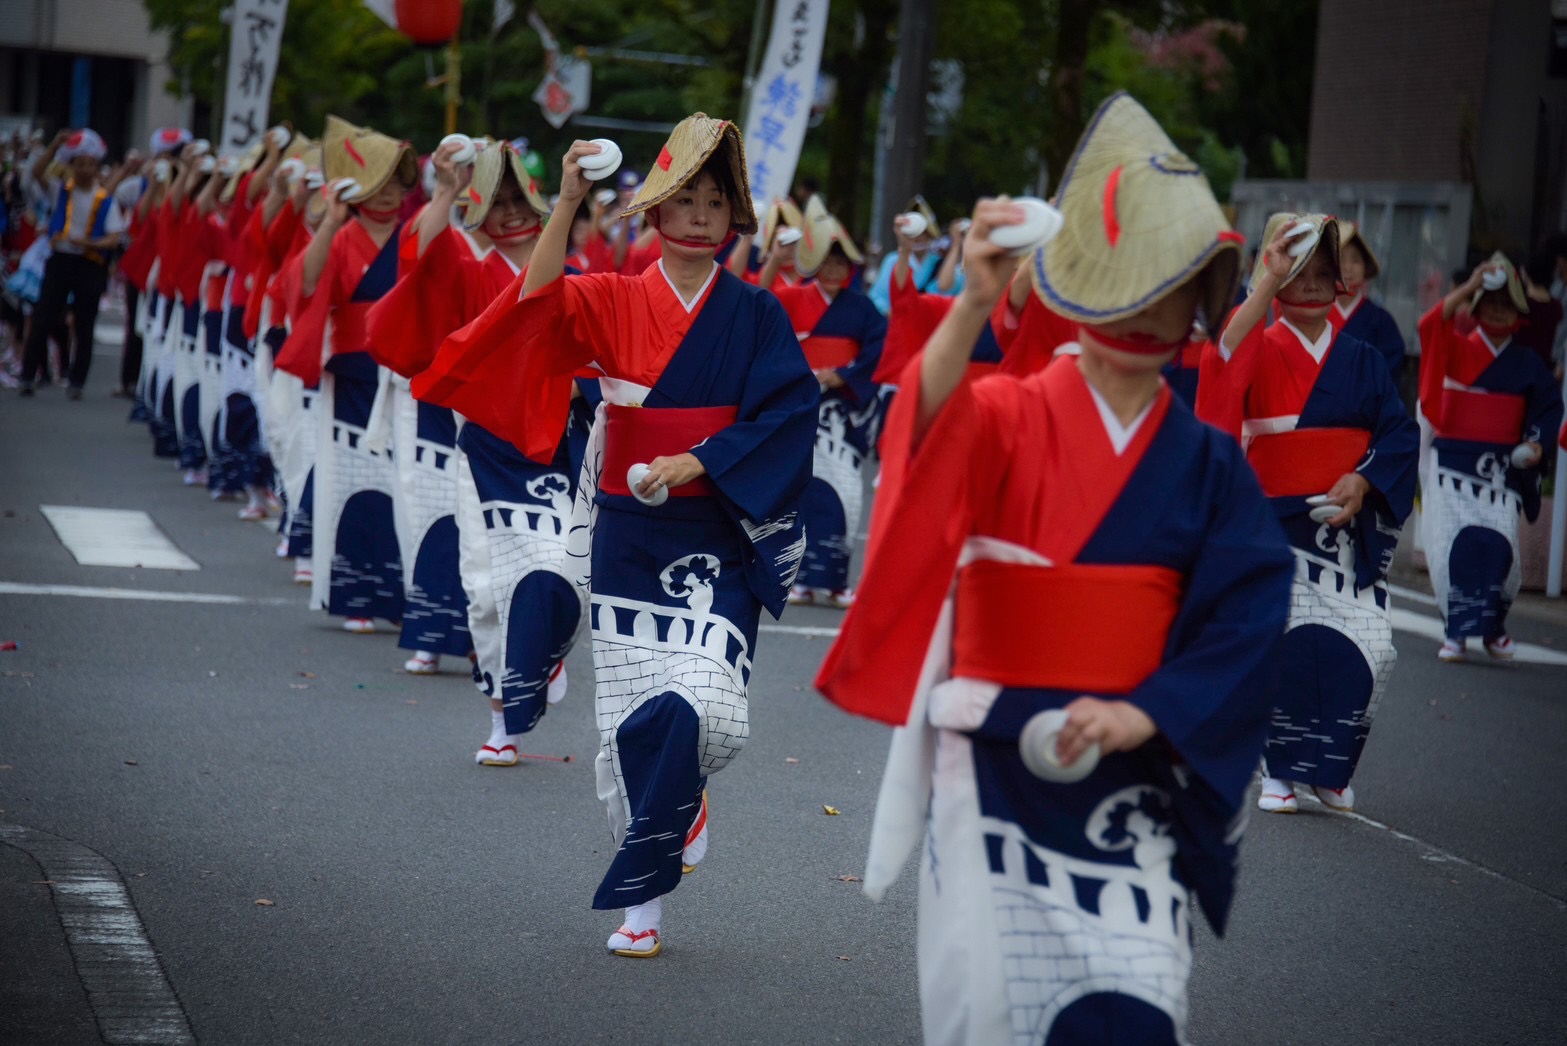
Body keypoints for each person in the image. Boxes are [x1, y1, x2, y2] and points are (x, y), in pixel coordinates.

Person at [815, 93, 1293, 1045]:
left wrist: (1147, 709)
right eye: (1131, 279)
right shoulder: (1005, 410)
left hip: (1134, 766)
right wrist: (976, 302)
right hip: (993, 753)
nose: (1149, 307)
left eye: (1174, 286)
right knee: (994, 1012)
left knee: (1137, 1003)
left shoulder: (1204, 460)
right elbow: (928, 433)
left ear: (1199, 301)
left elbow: (1247, 605)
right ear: (1078, 280)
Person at [414, 113, 817, 958]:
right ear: (655, 214)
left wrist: (698, 460)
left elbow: (787, 416)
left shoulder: (756, 315)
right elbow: (538, 303)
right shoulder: (615, 294)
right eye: (686, 200)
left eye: (717, 201)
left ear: (733, 215)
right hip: (627, 533)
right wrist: (565, 201)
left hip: (719, 536)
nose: (702, 215)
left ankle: (686, 796)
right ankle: (644, 907)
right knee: (634, 717)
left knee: (706, 706)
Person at [1197, 213, 1419, 813]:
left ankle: (1328, 768)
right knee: (1287, 643)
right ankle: (1279, 768)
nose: (1316, 284)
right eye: (1301, 272)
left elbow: (1398, 432)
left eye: (1326, 273)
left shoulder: (1365, 358)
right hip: (1274, 522)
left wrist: (1365, 478)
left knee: (1368, 647)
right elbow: (1219, 367)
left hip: (1349, 526)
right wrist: (1264, 282)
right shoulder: (1258, 345)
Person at [369, 134, 585, 748]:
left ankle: (543, 650)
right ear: (479, 209)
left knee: (556, 568)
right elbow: (419, 255)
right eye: (497, 198)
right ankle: (501, 720)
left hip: (554, 447)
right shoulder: (469, 270)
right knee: (486, 586)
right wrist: (443, 188)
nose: (511, 210)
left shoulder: (577, 275)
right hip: (484, 444)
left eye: (521, 197)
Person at [274, 115, 417, 634]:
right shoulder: (342, 234)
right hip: (352, 373)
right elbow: (306, 284)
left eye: (394, 184)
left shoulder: (417, 235)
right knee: (355, 483)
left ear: (406, 186)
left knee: (403, 485)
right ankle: (356, 592)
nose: (384, 195)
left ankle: (403, 595)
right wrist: (330, 222)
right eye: (374, 184)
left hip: (401, 376)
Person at [1417, 253, 1563, 660]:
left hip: (1501, 471)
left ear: (1518, 312)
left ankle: (1493, 626)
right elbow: (1430, 325)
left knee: (1505, 555)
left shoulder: (1528, 364)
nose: (1497, 311)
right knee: (1451, 551)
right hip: (1452, 466)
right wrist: (1467, 287)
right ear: (1476, 308)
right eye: (1489, 303)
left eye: (1505, 304)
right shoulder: (1456, 347)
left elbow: (1548, 409)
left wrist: (1536, 443)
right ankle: (1456, 632)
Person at [764, 198, 885, 607]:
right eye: (827, 263)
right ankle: (798, 579)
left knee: (847, 495)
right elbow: (772, 337)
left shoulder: (863, 309)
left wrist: (843, 376)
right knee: (802, 491)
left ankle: (834, 582)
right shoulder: (794, 298)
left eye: (841, 265)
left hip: (845, 413)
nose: (834, 271)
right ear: (815, 264)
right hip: (803, 406)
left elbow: (877, 350)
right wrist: (802, 376)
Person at [18, 129, 126, 398]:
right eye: (80, 163)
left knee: (85, 323)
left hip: (89, 263)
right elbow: (36, 173)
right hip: (60, 259)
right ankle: (28, 375)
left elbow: (113, 238)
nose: (85, 169)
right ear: (72, 165)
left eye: (90, 164)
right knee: (43, 317)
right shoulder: (60, 191)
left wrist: (88, 243)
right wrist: (55, 145)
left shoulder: (105, 199)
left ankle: (77, 382)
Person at [1328, 221, 1406, 382]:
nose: (1348, 267)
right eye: (1341, 260)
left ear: (1365, 268)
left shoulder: (1381, 321)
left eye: (1356, 260)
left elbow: (1389, 371)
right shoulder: (1314, 314)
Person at [868, 196, 963, 314]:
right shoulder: (892, 260)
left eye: (923, 232)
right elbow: (877, 296)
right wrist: (891, 314)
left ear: (930, 235)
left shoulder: (940, 262)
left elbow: (946, 290)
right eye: (912, 233)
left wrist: (956, 245)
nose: (917, 238)